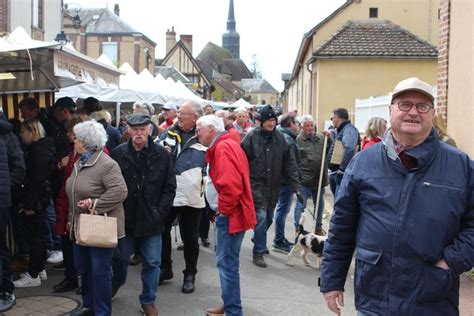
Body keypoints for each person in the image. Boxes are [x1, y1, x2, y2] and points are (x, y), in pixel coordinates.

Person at [320, 77, 474, 315]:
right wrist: (331, 280)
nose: (413, 112)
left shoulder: (460, 165)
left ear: (432, 113)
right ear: (390, 110)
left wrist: (452, 261)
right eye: (405, 104)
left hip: (433, 299)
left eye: (422, 106)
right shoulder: (363, 163)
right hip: (376, 297)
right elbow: (342, 226)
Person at [111, 113, 176, 316]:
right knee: (120, 260)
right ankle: (116, 283)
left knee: (153, 262)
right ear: (129, 130)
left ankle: (148, 300)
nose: (139, 133)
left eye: (142, 129)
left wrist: (160, 212)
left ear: (149, 129)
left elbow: (169, 187)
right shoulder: (118, 153)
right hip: (125, 217)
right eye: (135, 129)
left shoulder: (161, 154)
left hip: (152, 218)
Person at [195, 115, 256, 316]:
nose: (197, 133)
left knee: (227, 265)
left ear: (211, 129)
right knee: (228, 264)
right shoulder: (227, 144)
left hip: (230, 216)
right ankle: (229, 304)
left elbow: (230, 186)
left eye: (199, 129)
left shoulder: (222, 147)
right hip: (232, 214)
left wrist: (224, 210)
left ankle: (233, 310)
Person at [66, 120, 127, 316]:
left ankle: (102, 311)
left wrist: (94, 204)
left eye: (76, 138)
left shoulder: (106, 164)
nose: (73, 141)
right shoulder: (80, 162)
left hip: (99, 227)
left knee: (100, 272)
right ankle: (88, 305)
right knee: (84, 268)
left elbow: (120, 191)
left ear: (84, 142)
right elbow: (74, 193)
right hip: (80, 226)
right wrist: (70, 220)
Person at [241, 105, 300, 268]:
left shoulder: (281, 138)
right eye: (268, 120)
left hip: (274, 185)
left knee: (268, 218)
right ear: (261, 121)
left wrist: (295, 184)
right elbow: (242, 159)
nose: (271, 123)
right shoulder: (251, 136)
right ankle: (258, 252)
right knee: (260, 217)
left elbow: (290, 163)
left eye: (273, 120)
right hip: (256, 184)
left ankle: (257, 237)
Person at [158, 100, 206, 293]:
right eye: (178, 113)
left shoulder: (203, 135)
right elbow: (155, 150)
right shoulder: (168, 132)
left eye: (183, 114)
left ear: (194, 117)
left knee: (190, 236)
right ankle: (165, 267)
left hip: (192, 193)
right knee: (162, 229)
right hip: (170, 190)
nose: (179, 116)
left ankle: (190, 274)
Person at [13, 120, 55, 288]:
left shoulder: (38, 151)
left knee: (35, 238)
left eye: (24, 132)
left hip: (35, 201)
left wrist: (30, 204)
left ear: (32, 131)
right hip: (38, 200)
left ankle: (34, 273)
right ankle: (38, 269)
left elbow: (37, 181)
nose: (22, 135)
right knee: (38, 237)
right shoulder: (41, 149)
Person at [52, 115, 90, 294]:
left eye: (70, 132)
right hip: (66, 202)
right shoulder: (70, 150)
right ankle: (72, 278)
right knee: (69, 244)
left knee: (81, 245)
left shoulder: (91, 152)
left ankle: (83, 280)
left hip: (80, 205)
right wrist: (60, 165)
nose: (68, 135)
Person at [0, 111, 25, 312]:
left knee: (1, 247)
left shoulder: (7, 135)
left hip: (1, 200)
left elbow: (19, 167)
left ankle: (5, 290)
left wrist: (4, 186)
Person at [293, 115, 330, 236]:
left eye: (312, 125)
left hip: (320, 178)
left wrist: (329, 138)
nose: (310, 128)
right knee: (301, 205)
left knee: (319, 205)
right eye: (307, 126)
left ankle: (318, 227)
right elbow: (294, 160)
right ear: (302, 128)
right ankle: (298, 228)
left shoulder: (320, 137)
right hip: (305, 179)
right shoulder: (298, 140)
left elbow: (329, 149)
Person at [272, 114, 301, 253]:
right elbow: (292, 165)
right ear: (290, 124)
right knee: (282, 211)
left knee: (279, 210)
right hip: (285, 181)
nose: (298, 125)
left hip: (280, 180)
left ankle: (277, 238)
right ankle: (278, 240)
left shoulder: (280, 135)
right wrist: (295, 184)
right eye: (296, 123)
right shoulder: (288, 139)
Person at [326, 108, 360, 197]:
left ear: (337, 118)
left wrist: (342, 170)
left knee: (340, 203)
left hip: (342, 174)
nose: (332, 120)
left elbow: (349, 148)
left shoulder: (349, 129)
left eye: (332, 118)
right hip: (337, 173)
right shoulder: (344, 129)